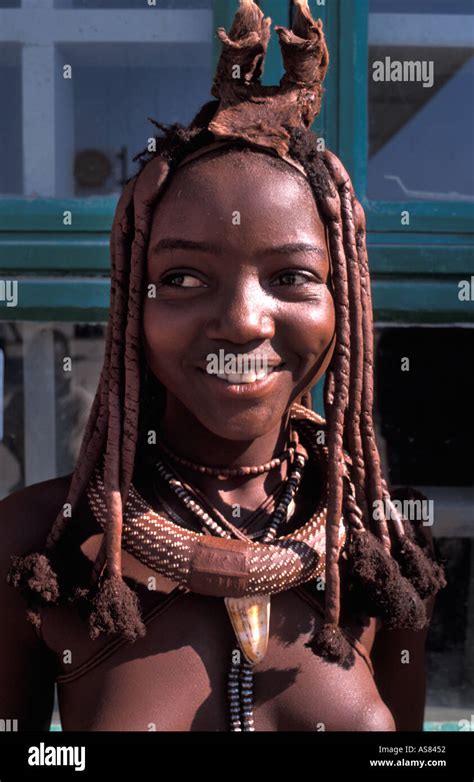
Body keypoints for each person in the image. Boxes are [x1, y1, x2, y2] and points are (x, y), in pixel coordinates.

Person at [0, 0, 445, 732]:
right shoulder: (41, 548)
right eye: (182, 278)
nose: (241, 319)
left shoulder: (378, 550)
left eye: (290, 277)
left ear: (346, 305)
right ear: (131, 304)